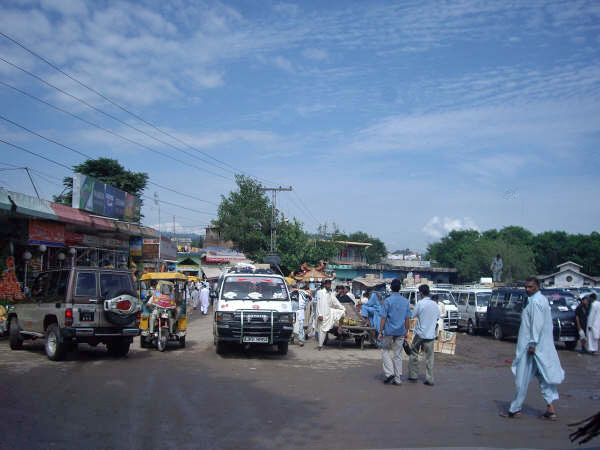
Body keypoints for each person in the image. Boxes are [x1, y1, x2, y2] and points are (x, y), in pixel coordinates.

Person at [500, 277, 564, 420]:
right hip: (538, 348)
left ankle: (514, 409)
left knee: (521, 380)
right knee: (544, 378)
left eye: (531, 287)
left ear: (537, 287)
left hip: (531, 348)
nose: (528, 289)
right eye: (526, 287)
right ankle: (550, 410)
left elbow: (537, 325)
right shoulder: (540, 300)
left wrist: (533, 344)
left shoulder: (536, 302)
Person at [377, 279, 411, 385]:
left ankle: (389, 372)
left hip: (388, 331)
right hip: (401, 331)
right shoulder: (405, 301)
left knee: (385, 351)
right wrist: (406, 331)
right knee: (398, 354)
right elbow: (407, 319)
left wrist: (380, 331)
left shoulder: (388, 301)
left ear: (391, 288)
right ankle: (397, 378)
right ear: (400, 288)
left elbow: (383, 318)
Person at [408, 284, 440, 386]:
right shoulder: (435, 304)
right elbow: (438, 317)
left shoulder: (420, 303)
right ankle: (429, 379)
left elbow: (412, 315)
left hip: (420, 334)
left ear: (421, 293)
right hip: (430, 335)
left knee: (414, 353)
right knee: (430, 357)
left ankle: (413, 376)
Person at [316, 279, 345, 350]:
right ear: (325, 284)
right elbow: (318, 304)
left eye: (330, 284)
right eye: (328, 284)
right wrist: (319, 314)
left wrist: (343, 308)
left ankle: (339, 327)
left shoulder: (330, 293)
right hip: (322, 314)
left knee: (342, 313)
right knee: (321, 330)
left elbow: (336, 302)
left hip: (329, 313)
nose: (329, 285)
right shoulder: (320, 292)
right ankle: (320, 345)